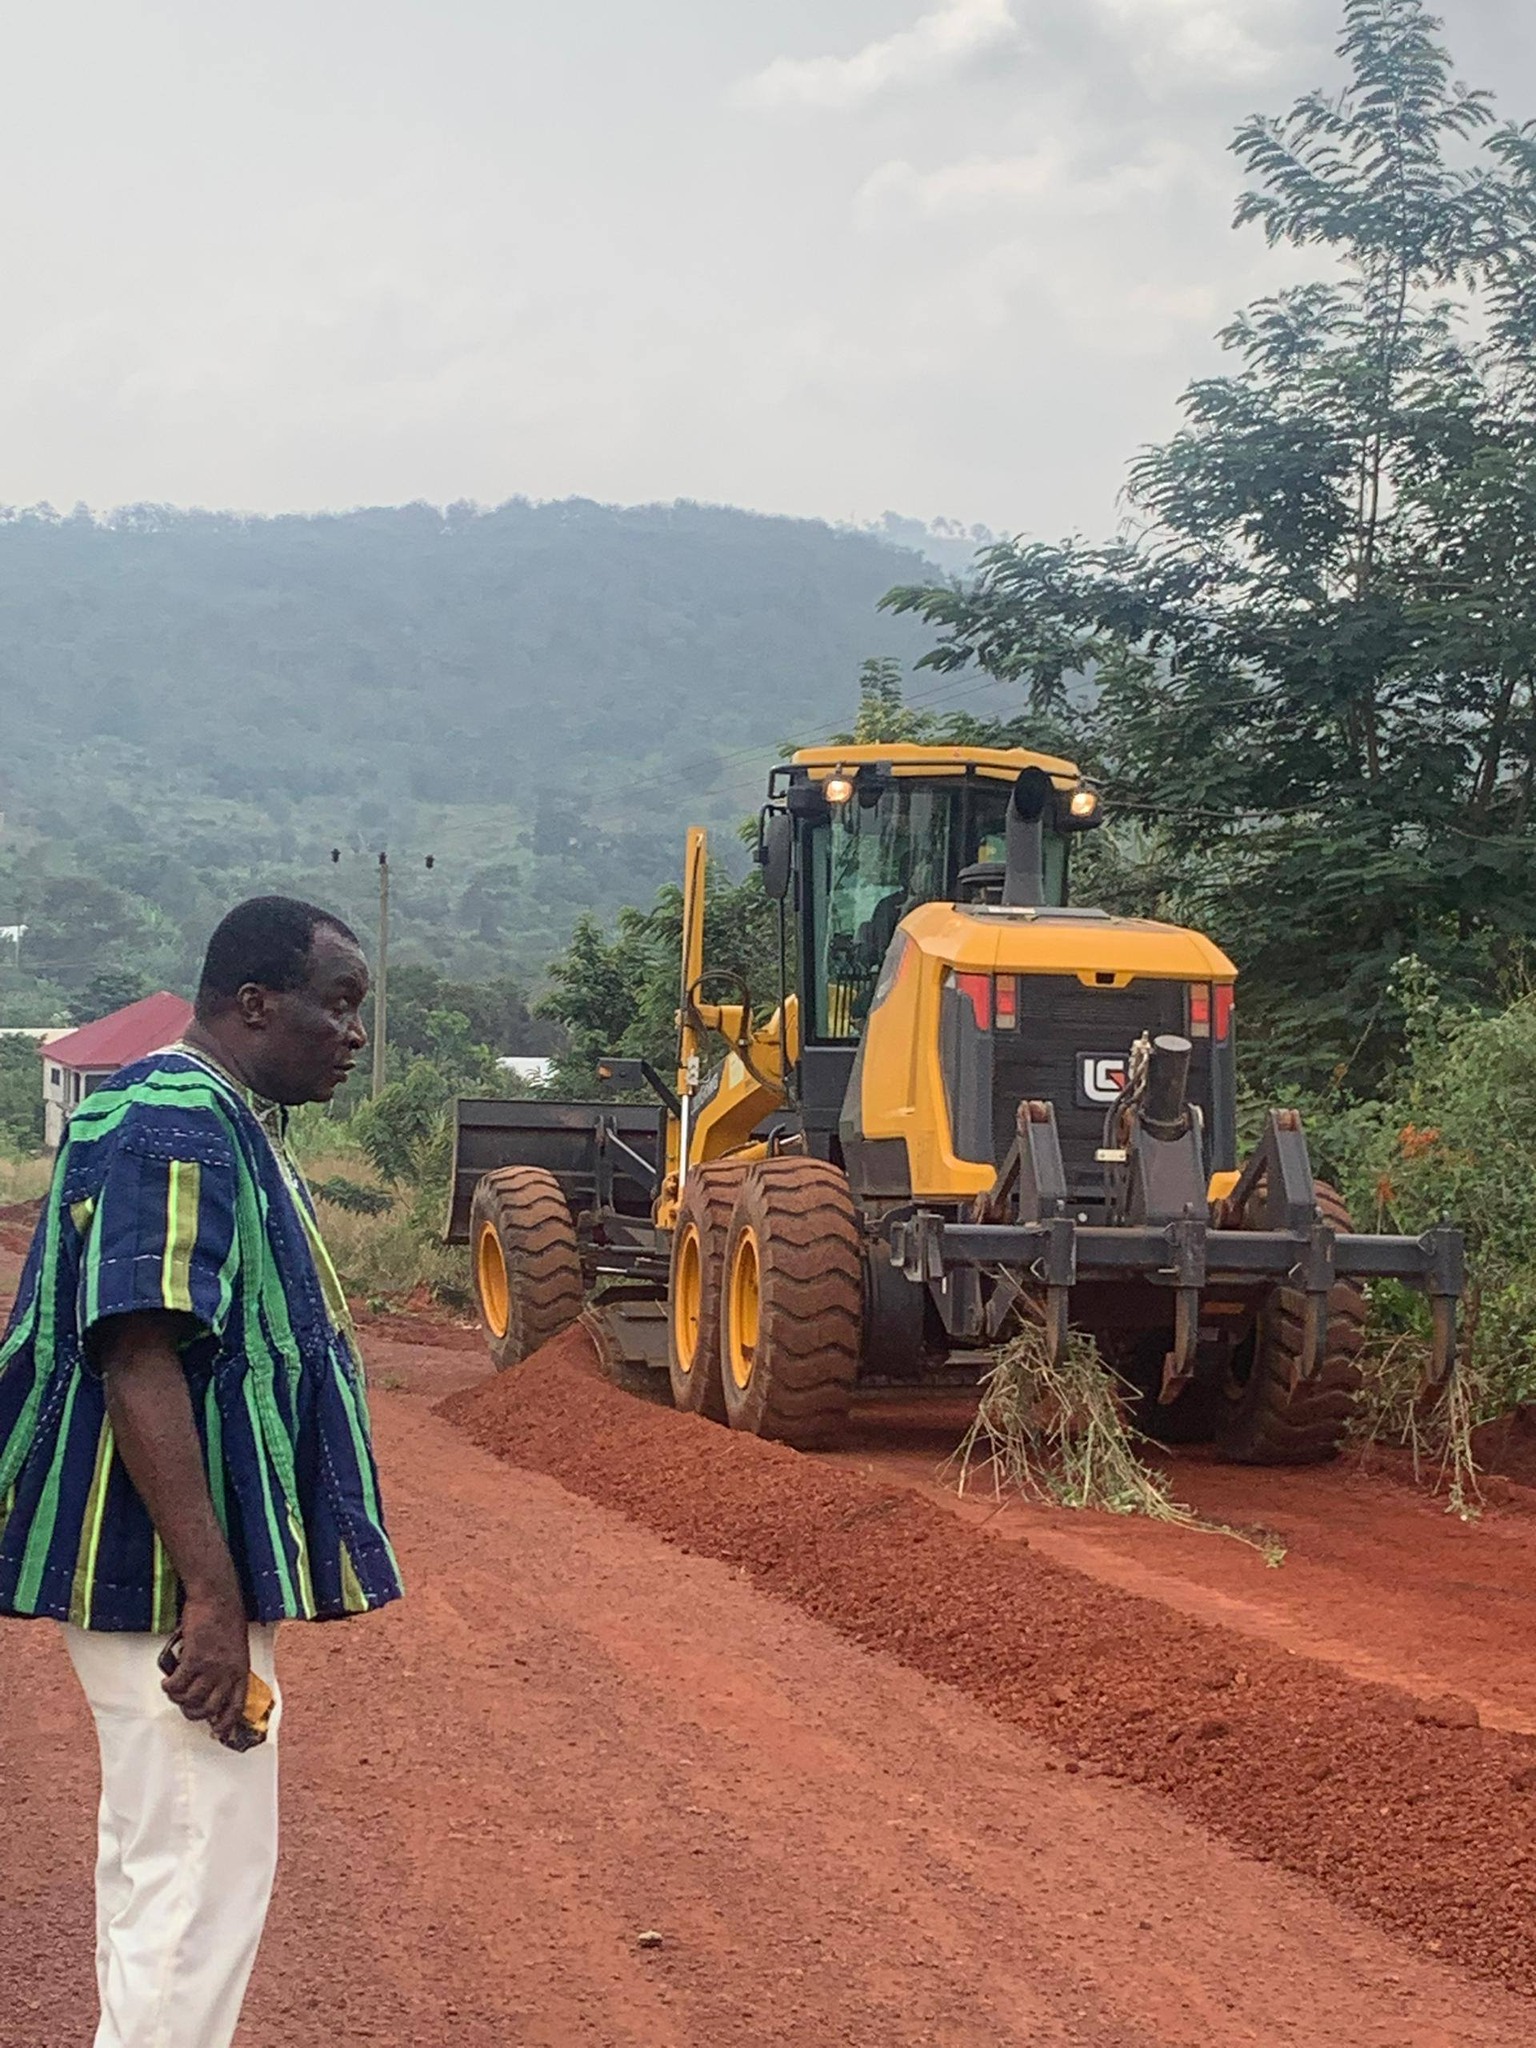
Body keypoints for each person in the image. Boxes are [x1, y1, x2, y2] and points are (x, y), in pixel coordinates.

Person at [0, 896, 403, 2048]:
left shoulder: (203, 1111)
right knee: (195, 1883)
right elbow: (138, 1351)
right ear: (254, 1002)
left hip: (163, 1572)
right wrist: (214, 1598)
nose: (354, 1035)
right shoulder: (176, 1118)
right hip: (164, 1578)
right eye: (338, 1004)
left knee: (161, 1864)